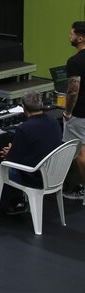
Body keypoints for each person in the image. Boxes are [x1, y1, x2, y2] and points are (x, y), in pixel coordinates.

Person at [0, 91, 63, 214]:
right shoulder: (54, 121)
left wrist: (9, 152)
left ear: (23, 108)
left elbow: (10, 160)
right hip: (55, 174)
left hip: (33, 177)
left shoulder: (24, 128)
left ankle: (13, 201)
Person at [63, 21, 85, 200]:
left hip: (80, 114)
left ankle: (83, 190)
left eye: (72, 33)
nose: (69, 36)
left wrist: (68, 112)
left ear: (80, 38)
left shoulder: (75, 61)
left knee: (81, 154)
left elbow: (73, 90)